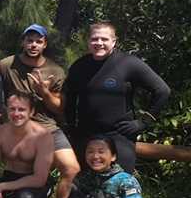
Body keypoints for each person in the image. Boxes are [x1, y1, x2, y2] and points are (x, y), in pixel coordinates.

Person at [0, 24, 80, 198]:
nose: (33, 45)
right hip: (20, 130)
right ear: (23, 42)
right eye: (29, 40)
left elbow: (60, 109)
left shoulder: (56, 70)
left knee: (72, 169)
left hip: (48, 127)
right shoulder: (6, 66)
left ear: (44, 44)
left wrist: (44, 92)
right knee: (31, 175)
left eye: (38, 41)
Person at [64, 22, 170, 173]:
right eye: (95, 39)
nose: (99, 43)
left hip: (119, 135)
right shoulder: (79, 66)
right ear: (88, 41)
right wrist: (71, 127)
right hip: (86, 135)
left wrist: (143, 122)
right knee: (83, 188)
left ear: (114, 41)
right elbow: (70, 98)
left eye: (104, 39)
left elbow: (162, 91)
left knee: (120, 184)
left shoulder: (128, 63)